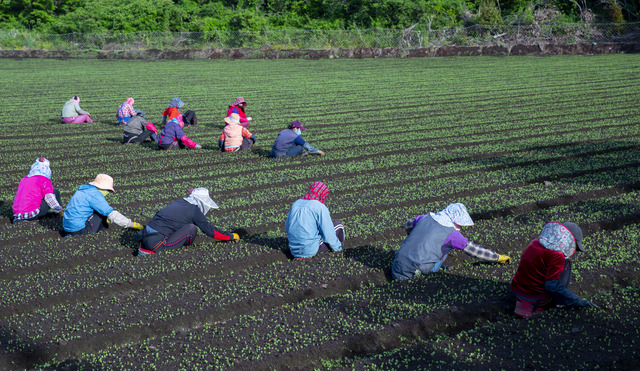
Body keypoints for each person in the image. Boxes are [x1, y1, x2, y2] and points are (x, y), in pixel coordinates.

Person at [392, 203, 511, 280]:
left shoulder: (424, 218)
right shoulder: (453, 235)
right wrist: (497, 257)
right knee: (444, 248)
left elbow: (408, 224)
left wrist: (414, 235)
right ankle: (433, 269)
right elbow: (475, 251)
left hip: (397, 266)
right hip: (416, 272)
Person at [511, 222, 599, 317]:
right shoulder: (557, 255)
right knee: (566, 264)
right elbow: (552, 286)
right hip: (536, 298)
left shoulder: (536, 242)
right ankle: (556, 303)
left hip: (518, 290)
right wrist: (577, 301)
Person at [137, 188, 239, 255]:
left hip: (145, 237)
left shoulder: (179, 202)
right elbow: (210, 230)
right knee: (191, 228)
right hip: (157, 245)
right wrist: (230, 236)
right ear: (202, 201)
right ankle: (181, 252)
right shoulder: (194, 210)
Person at [62, 174, 143, 236]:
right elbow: (112, 214)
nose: (108, 192)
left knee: (99, 212)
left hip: (67, 226)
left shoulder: (84, 190)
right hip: (78, 230)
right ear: (102, 188)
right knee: (103, 215)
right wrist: (132, 224)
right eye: (108, 190)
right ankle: (98, 234)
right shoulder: (94, 195)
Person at [285, 182, 344, 259]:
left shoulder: (296, 203)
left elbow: (287, 227)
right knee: (338, 225)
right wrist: (338, 248)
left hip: (294, 251)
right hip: (310, 251)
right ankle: (339, 252)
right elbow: (328, 235)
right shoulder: (319, 207)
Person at [12, 157, 63, 224]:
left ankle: (19, 219)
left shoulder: (24, 179)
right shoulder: (44, 180)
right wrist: (58, 209)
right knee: (55, 192)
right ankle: (60, 215)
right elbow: (49, 198)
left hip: (16, 213)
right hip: (31, 214)